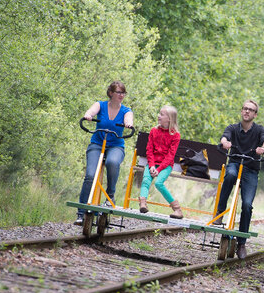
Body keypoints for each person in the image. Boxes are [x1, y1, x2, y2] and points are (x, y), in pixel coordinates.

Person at [213, 99, 264, 259]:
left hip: (250, 169)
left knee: (247, 205)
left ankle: (242, 243)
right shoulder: (233, 128)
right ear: (241, 111)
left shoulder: (259, 130)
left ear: (255, 114)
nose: (247, 111)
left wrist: (263, 149)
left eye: (250, 110)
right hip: (235, 164)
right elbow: (225, 137)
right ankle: (219, 213)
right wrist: (225, 143)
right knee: (229, 174)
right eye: (245, 109)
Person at [74, 81, 134, 225]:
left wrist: (128, 124)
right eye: (119, 92)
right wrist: (88, 115)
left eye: (123, 93)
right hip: (97, 143)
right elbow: (91, 111)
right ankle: (81, 213)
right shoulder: (100, 105)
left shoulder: (126, 110)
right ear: (111, 93)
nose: (121, 95)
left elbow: (129, 118)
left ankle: (110, 195)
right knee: (90, 176)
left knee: (112, 162)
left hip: (116, 146)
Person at [139, 105, 183, 219]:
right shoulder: (154, 131)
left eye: (162, 114)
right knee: (145, 180)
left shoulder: (175, 135)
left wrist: (159, 169)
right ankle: (143, 203)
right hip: (152, 164)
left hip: (166, 166)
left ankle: (177, 209)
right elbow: (149, 150)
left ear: (169, 119)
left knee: (158, 183)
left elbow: (170, 156)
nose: (159, 115)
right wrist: (152, 165)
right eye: (159, 113)